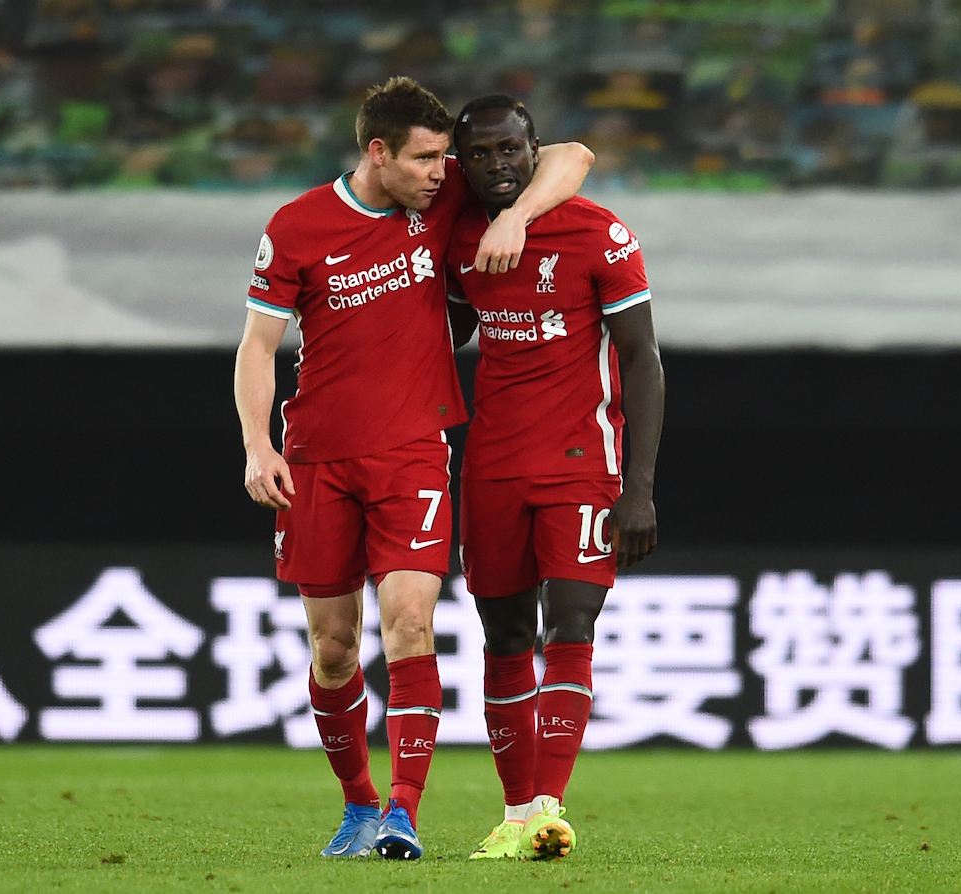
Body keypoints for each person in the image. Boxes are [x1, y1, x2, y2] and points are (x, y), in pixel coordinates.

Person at [233, 76, 593, 861]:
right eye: (426, 158)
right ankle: (360, 803)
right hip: (317, 458)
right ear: (378, 152)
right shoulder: (296, 226)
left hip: (414, 453)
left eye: (444, 159)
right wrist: (260, 448)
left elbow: (572, 155)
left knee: (410, 625)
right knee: (333, 648)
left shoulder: (442, 199)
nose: (442, 171)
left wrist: (519, 215)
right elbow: (259, 345)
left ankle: (404, 813)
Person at [445, 94, 665, 861]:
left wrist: (639, 487)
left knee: (572, 622)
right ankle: (512, 814)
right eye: (481, 154)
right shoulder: (455, 224)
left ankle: (547, 804)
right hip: (493, 463)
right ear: (460, 162)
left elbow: (642, 358)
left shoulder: (596, 230)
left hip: (582, 459)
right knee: (503, 634)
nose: (498, 164)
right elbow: (453, 325)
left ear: (533, 149)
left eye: (512, 149)